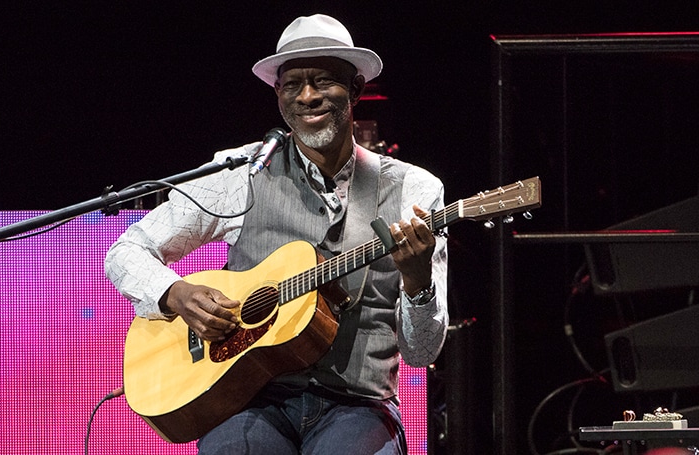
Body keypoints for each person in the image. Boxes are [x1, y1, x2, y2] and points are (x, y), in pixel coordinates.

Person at [105, 13, 448, 455]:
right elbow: (128, 250)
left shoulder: (414, 190)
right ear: (278, 94)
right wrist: (176, 294)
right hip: (249, 399)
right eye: (292, 84)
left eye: (324, 80)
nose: (308, 96)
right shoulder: (240, 172)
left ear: (356, 90)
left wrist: (418, 282)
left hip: (358, 405)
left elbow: (422, 352)